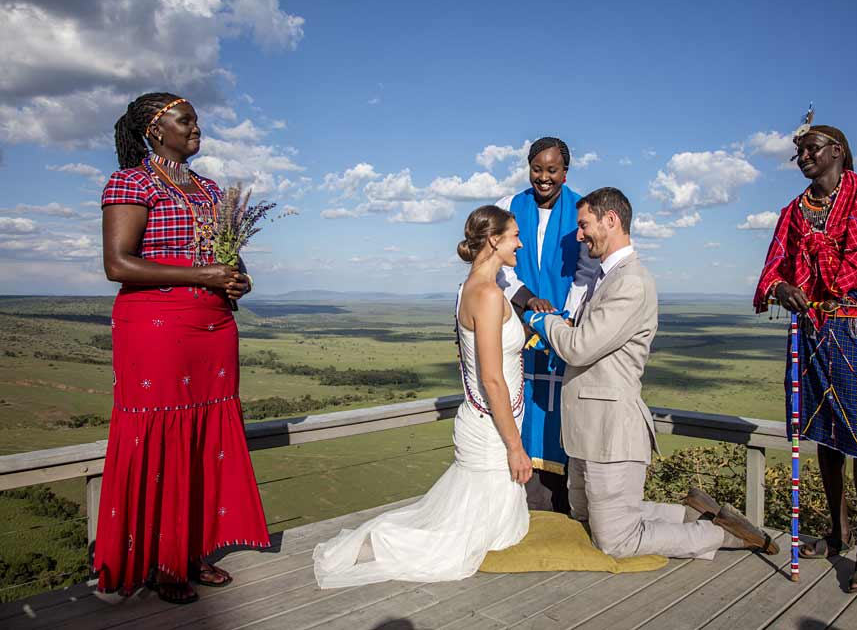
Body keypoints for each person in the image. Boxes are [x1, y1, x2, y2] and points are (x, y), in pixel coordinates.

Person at [525, 188, 777, 559]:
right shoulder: (605, 278)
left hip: (611, 431)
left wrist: (540, 320)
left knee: (616, 541)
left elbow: (580, 346)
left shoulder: (631, 281)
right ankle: (692, 515)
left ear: (610, 220)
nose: (578, 235)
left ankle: (721, 535)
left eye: (583, 225)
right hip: (586, 431)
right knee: (587, 518)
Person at [94, 93, 270, 604]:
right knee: (163, 435)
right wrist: (201, 274)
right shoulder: (131, 182)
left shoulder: (212, 190)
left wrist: (237, 281)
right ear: (154, 129)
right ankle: (159, 560)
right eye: (185, 120)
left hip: (212, 327)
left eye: (196, 119)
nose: (196, 128)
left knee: (201, 437)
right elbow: (118, 264)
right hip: (155, 326)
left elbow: (225, 260)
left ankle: (193, 551)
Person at [313, 205, 531, 588]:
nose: (520, 243)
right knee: (458, 545)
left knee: (489, 529)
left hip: (486, 422)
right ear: (494, 240)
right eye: (514, 236)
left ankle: (381, 540)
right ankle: (378, 545)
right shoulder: (489, 294)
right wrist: (515, 446)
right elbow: (492, 379)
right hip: (491, 430)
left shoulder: (470, 287)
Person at [753, 123, 857, 592]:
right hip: (811, 332)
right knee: (822, 433)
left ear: (837, 151)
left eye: (810, 148)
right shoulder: (794, 211)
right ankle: (838, 531)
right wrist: (782, 288)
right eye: (798, 152)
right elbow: (772, 274)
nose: (802, 157)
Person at [495, 137, 600, 513]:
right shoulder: (510, 207)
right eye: (536, 169)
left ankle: (559, 504)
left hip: (563, 330)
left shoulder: (581, 210)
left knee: (558, 412)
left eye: (551, 170)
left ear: (565, 173)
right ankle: (517, 501)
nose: (543, 177)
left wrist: (561, 317)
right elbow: (500, 265)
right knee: (517, 404)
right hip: (518, 325)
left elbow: (587, 272)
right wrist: (526, 300)